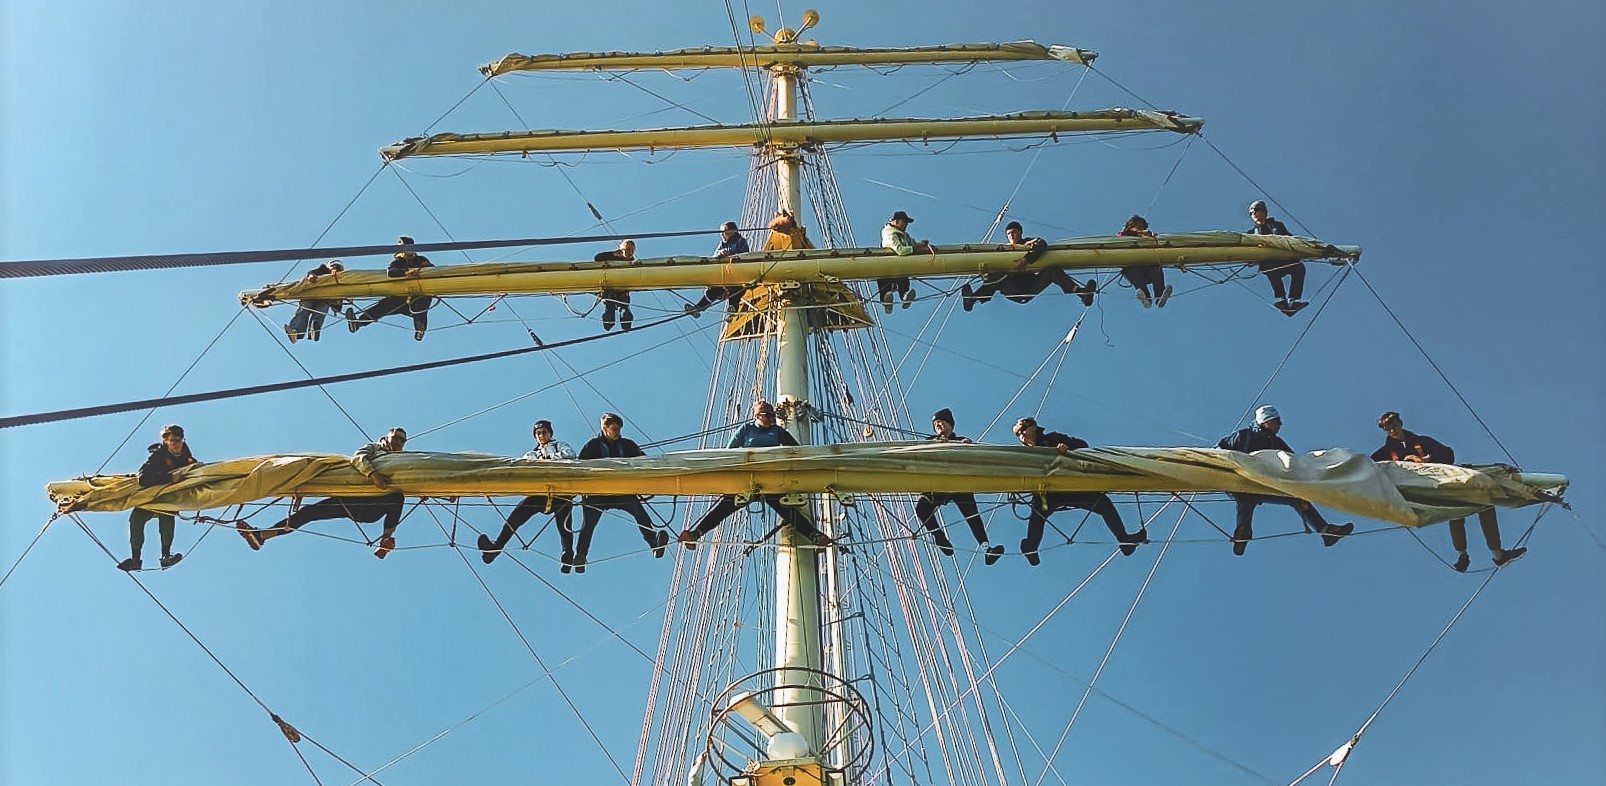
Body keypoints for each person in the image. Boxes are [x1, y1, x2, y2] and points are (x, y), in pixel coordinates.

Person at [1370, 411, 1526, 571]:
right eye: (1388, 429)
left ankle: (1497, 554)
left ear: (1400, 423)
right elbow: (1368, 466)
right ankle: (1462, 554)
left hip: (1441, 481)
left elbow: (1447, 454)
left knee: (1485, 501)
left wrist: (1428, 459)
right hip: (1421, 492)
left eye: (1394, 426)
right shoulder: (1386, 453)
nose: (1392, 431)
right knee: (1455, 511)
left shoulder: (1421, 441)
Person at [237, 427, 410, 559]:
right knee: (309, 512)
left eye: (402, 440)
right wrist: (373, 474)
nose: (398, 442)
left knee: (397, 497)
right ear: (387, 437)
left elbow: (409, 478)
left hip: (374, 507)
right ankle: (262, 536)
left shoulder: (403, 459)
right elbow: (358, 457)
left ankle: (385, 541)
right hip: (352, 498)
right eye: (395, 437)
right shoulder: (373, 449)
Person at [679, 401, 831, 548]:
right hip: (746, 478)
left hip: (770, 479)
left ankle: (814, 535)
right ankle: (695, 534)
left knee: (787, 511)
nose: (772, 419)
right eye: (768, 415)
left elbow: (797, 451)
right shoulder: (746, 429)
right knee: (722, 509)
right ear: (758, 416)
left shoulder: (778, 431)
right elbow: (728, 453)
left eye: (773, 416)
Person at [1217, 406, 1354, 555]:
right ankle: (1242, 534)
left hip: (1262, 482)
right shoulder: (1243, 436)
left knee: (1294, 497)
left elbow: (1294, 462)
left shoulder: (1276, 443)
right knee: (1246, 498)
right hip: (1239, 479)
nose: (1280, 425)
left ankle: (1325, 530)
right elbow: (1219, 451)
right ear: (1266, 421)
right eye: (1277, 421)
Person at [1012, 417, 1147, 565]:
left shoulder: (1053, 438)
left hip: (1072, 487)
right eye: (1018, 434)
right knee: (1038, 513)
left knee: (1102, 503)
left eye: (1023, 429)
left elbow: (1083, 445)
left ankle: (1124, 541)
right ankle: (1031, 547)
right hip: (1048, 493)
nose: (1022, 435)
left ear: (1034, 427)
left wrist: (1067, 447)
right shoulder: (1022, 453)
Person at [572, 413, 670, 573]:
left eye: (619, 429)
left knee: (640, 513)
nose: (617, 432)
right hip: (598, 494)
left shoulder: (628, 445)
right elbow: (580, 465)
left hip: (622, 491)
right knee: (588, 524)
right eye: (614, 429)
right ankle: (581, 556)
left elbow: (643, 461)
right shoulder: (593, 445)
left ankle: (654, 544)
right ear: (605, 428)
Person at [478, 419, 579, 569]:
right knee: (516, 517)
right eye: (538, 433)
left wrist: (545, 460)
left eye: (544, 432)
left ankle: (568, 554)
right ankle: (495, 548)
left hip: (562, 491)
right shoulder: (532, 452)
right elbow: (524, 464)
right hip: (540, 494)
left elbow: (570, 455)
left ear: (550, 433)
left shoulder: (560, 446)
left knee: (564, 524)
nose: (541, 435)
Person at [915, 409, 1002, 564]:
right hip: (938, 484)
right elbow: (920, 454)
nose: (938, 425)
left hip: (959, 483)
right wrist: (936, 444)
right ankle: (939, 537)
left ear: (950, 424)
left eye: (941, 422)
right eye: (935, 424)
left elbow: (975, 458)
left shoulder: (962, 440)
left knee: (973, 517)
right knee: (921, 508)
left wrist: (966, 446)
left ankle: (987, 549)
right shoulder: (930, 440)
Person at [118, 424, 200, 571]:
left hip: (169, 497)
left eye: (179, 440)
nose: (177, 444)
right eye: (173, 441)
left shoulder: (187, 458)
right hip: (152, 496)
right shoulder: (157, 457)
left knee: (167, 513)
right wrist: (169, 478)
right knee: (136, 519)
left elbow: (196, 473)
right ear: (166, 442)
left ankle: (166, 556)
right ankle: (135, 559)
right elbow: (142, 478)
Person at [961, 221, 1095, 311]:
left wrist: (1026, 260)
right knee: (998, 275)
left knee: (1052, 271)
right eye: (1008, 234)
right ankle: (973, 299)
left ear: (1020, 233)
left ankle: (1082, 293)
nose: (1011, 235)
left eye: (1013, 232)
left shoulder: (1027, 243)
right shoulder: (1003, 250)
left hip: (1031, 286)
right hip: (1012, 287)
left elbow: (1042, 244)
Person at [346, 236, 435, 340]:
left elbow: (432, 269)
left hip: (418, 296)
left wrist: (426, 267)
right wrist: (406, 272)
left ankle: (420, 329)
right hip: (401, 297)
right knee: (384, 306)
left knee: (420, 305)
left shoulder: (421, 259)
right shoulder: (399, 261)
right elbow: (391, 272)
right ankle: (358, 323)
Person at [1246, 200, 1306, 317]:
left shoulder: (1277, 225)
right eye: (1251, 213)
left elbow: (1289, 239)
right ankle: (1281, 299)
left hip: (1284, 260)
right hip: (1270, 263)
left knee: (1299, 269)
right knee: (1270, 269)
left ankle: (1293, 300)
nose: (1254, 214)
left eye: (1256, 211)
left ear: (1264, 212)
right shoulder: (1251, 233)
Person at [686, 222, 750, 317]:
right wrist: (720, 254)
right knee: (714, 290)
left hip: (738, 275)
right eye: (721, 233)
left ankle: (732, 311)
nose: (721, 235)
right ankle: (698, 308)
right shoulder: (722, 245)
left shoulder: (740, 241)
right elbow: (714, 257)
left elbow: (746, 255)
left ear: (732, 231)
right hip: (724, 276)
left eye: (724, 232)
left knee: (736, 290)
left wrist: (732, 256)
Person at [877, 211, 930, 313]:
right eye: (904, 222)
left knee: (903, 278)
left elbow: (912, 244)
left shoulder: (904, 235)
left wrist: (921, 245)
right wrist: (914, 249)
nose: (906, 225)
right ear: (896, 221)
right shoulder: (889, 233)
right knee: (884, 279)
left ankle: (904, 295)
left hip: (900, 263)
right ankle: (886, 300)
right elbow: (900, 249)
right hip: (888, 262)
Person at [1117, 215, 1171, 309]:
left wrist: (1151, 237)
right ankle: (1145, 298)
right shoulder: (1124, 235)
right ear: (1130, 227)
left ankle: (1160, 296)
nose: (1141, 229)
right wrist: (1138, 234)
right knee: (1134, 270)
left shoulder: (1150, 236)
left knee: (1155, 269)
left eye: (1142, 227)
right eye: (1138, 227)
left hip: (1149, 266)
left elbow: (1159, 240)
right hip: (1133, 267)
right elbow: (1121, 237)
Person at [284, 260, 346, 342]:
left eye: (338, 268)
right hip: (310, 296)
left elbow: (338, 302)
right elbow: (312, 273)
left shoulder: (341, 280)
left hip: (324, 299)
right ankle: (296, 332)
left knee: (320, 312)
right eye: (334, 267)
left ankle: (314, 330)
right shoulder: (322, 270)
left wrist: (338, 301)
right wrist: (311, 276)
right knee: (304, 309)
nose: (335, 270)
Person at [595, 239, 639, 332]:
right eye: (627, 250)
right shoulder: (613, 257)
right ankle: (608, 323)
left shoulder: (632, 263)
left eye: (632, 250)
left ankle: (625, 326)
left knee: (625, 313)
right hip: (610, 290)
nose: (630, 252)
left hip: (622, 293)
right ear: (621, 250)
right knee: (610, 312)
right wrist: (613, 254)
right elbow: (597, 258)